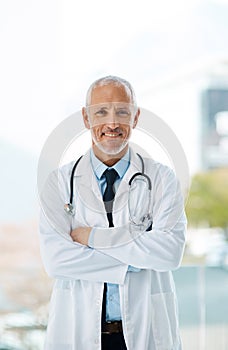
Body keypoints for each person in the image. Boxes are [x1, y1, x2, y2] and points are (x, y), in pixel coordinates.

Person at [39, 75, 187, 350]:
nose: (112, 123)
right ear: (86, 118)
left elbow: (169, 252)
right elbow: (56, 260)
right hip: (78, 332)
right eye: (101, 112)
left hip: (148, 332)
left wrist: (91, 238)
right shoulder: (60, 182)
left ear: (136, 116)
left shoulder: (162, 179)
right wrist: (135, 260)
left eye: (122, 111)